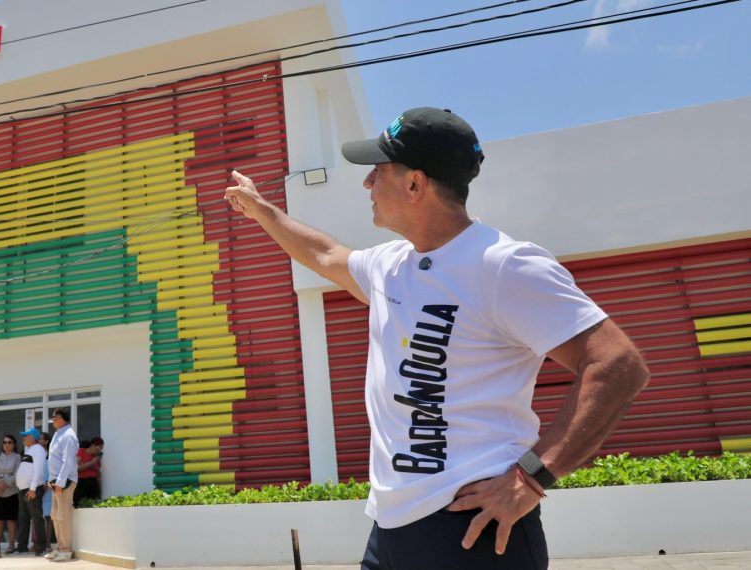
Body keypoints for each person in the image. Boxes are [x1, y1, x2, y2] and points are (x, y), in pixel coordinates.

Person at [224, 107, 650, 570]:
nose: (368, 183)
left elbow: (617, 365)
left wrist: (531, 478)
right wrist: (262, 211)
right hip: (389, 529)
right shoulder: (391, 265)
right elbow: (325, 255)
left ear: (415, 185)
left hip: (472, 531)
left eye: (379, 170)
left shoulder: (504, 265)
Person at [46, 408, 79, 562]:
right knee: (54, 515)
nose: (52, 419)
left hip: (65, 481)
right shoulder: (58, 433)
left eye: (54, 416)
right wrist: (51, 479)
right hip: (55, 480)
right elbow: (54, 459)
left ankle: (66, 550)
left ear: (62, 418)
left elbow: (68, 461)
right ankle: (59, 547)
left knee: (63, 515)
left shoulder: (69, 435)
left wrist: (59, 482)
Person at [14, 427, 48, 556]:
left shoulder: (38, 450)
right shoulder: (30, 450)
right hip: (24, 489)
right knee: (23, 518)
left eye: (26, 436)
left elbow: (39, 470)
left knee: (37, 518)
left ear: (33, 438)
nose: (23, 438)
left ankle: (41, 547)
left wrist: (33, 489)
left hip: (31, 489)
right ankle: (22, 547)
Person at [0, 433, 21, 556]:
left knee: (10, 519)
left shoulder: (17, 457)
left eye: (9, 442)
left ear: (14, 445)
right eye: (4, 442)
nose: (7, 445)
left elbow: (17, 474)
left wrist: (6, 483)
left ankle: (11, 544)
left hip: (11, 491)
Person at [74, 437, 104, 507]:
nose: (100, 451)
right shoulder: (82, 451)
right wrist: (92, 462)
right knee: (79, 503)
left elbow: (98, 473)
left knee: (94, 504)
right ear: (93, 445)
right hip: (82, 482)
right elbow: (76, 468)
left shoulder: (97, 457)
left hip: (93, 482)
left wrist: (100, 488)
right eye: (99, 448)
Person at [39, 431, 55, 554]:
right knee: (40, 519)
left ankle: (48, 544)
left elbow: (46, 480)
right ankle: (39, 543)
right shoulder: (36, 456)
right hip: (39, 491)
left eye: (41, 439)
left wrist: (41, 493)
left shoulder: (48, 460)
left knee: (48, 518)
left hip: (47, 493)